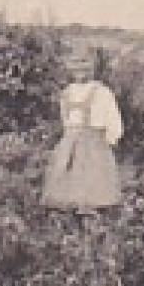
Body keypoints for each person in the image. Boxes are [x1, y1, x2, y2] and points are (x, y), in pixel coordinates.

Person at [42, 49, 124, 212]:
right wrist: (69, 137)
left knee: (94, 187)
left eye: (84, 68)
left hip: (94, 143)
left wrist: (110, 139)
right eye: (75, 68)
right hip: (70, 144)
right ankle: (72, 221)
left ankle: (94, 221)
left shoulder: (102, 92)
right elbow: (65, 120)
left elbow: (113, 119)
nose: (80, 73)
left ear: (91, 69)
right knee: (68, 184)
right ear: (70, 70)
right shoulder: (66, 93)